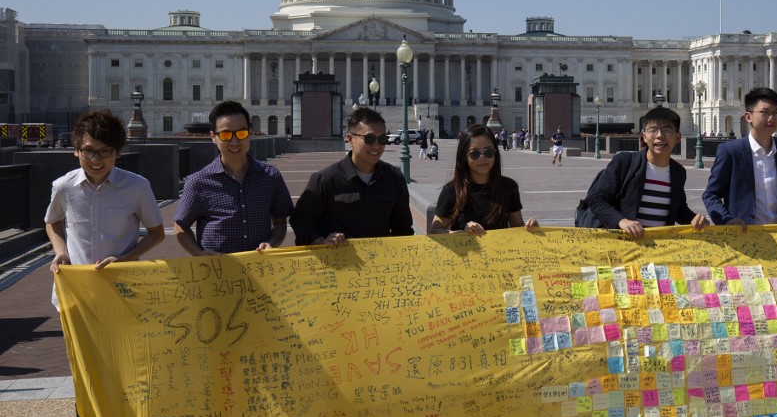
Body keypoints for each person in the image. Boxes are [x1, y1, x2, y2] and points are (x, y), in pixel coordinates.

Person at [44, 109, 165, 417]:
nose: (96, 160)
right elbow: (52, 222)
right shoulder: (64, 186)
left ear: (118, 153)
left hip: (123, 292)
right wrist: (60, 250)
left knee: (127, 368)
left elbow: (157, 233)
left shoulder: (136, 186)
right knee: (85, 372)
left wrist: (124, 260)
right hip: (77, 296)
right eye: (89, 151)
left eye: (104, 152)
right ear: (76, 151)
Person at [173, 101, 293, 255]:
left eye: (241, 133)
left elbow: (280, 222)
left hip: (259, 266)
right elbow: (180, 226)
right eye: (226, 135)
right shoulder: (198, 182)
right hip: (218, 267)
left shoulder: (271, 177)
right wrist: (199, 254)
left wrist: (272, 244)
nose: (235, 142)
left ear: (250, 133)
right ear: (213, 137)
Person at [290, 107, 414, 244]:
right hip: (338, 257)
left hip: (379, 257)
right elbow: (300, 218)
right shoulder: (325, 179)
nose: (377, 146)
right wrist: (320, 241)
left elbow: (403, 227)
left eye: (382, 139)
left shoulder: (394, 178)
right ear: (350, 139)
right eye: (369, 138)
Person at [583, 107, 707, 239]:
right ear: (644, 137)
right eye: (653, 130)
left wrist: (694, 219)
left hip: (659, 246)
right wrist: (621, 221)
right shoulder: (625, 162)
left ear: (677, 137)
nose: (659, 135)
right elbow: (595, 198)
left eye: (667, 130)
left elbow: (678, 209)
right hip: (624, 245)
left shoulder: (678, 172)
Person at [702, 87, 777, 230]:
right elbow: (711, 194)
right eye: (764, 112)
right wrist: (726, 220)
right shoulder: (731, 152)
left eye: (776, 113)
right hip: (744, 234)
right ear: (748, 117)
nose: (771, 118)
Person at [429, 124, 538, 234]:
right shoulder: (452, 190)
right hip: (465, 245)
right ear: (464, 156)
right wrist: (462, 233)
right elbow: (435, 230)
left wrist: (531, 228)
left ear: (495, 153)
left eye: (488, 152)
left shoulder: (509, 187)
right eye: (475, 154)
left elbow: (517, 225)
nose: (482, 158)